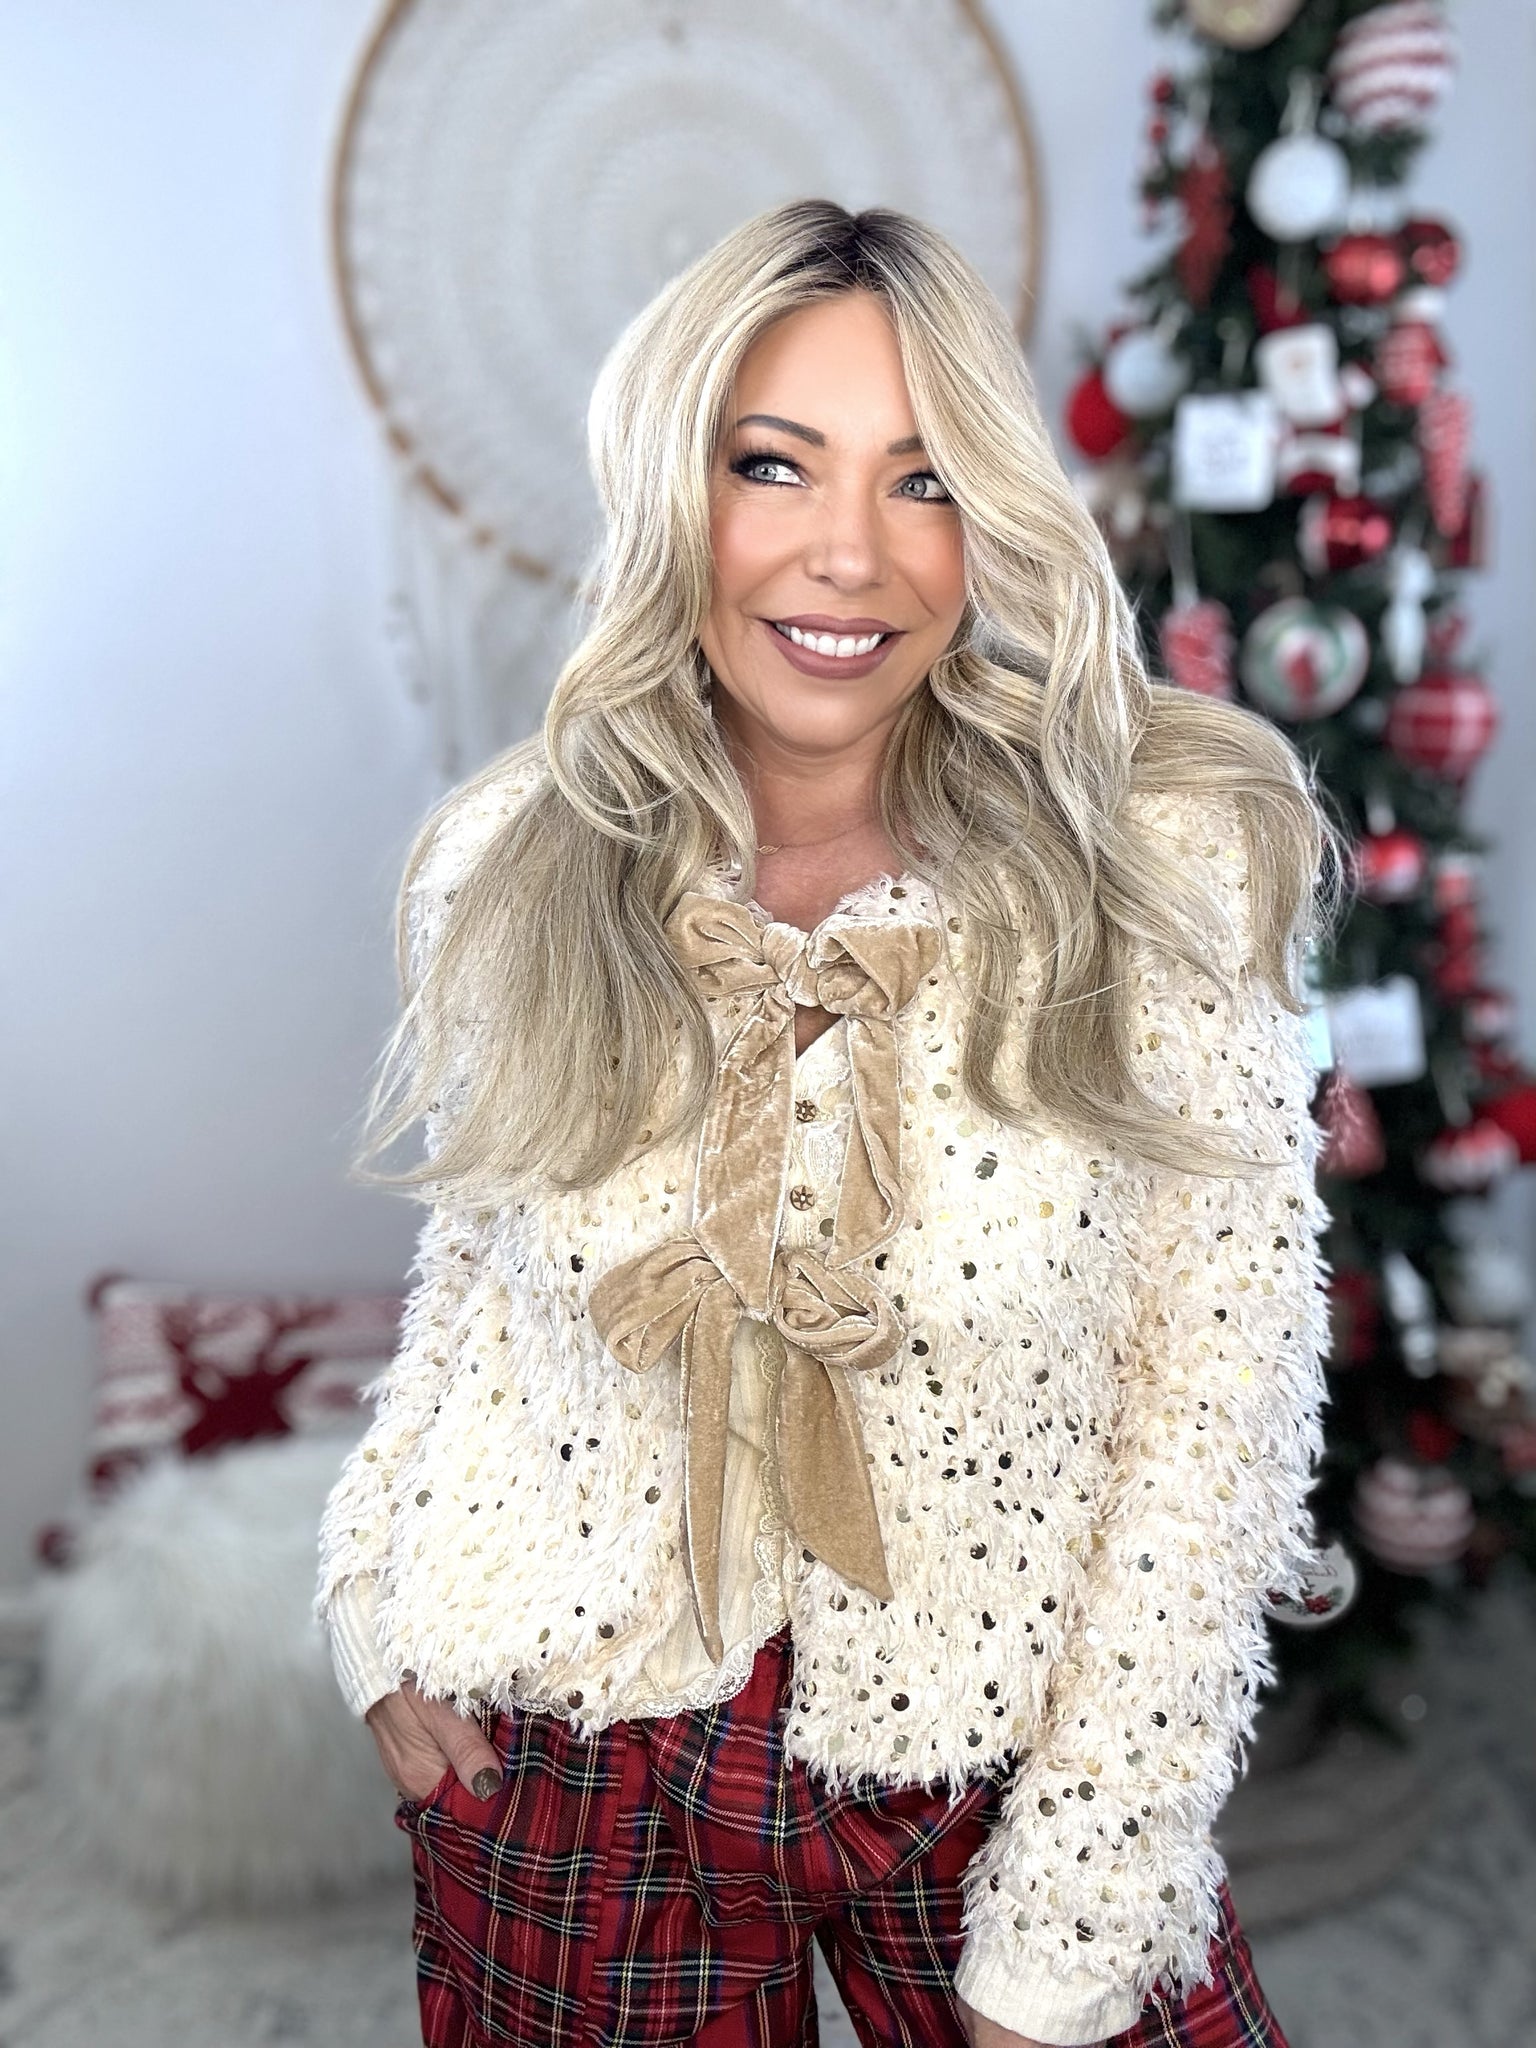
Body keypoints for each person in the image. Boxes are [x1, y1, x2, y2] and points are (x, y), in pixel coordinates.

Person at [317, 199, 1338, 2048]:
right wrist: (374, 1589)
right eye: (772, 464)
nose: (849, 552)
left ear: (991, 516)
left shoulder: (1170, 870)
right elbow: (476, 1277)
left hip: (988, 1741)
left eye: (922, 479)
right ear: (676, 487)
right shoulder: (514, 862)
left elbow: (1218, 1416)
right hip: (570, 1750)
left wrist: (1087, 1897)